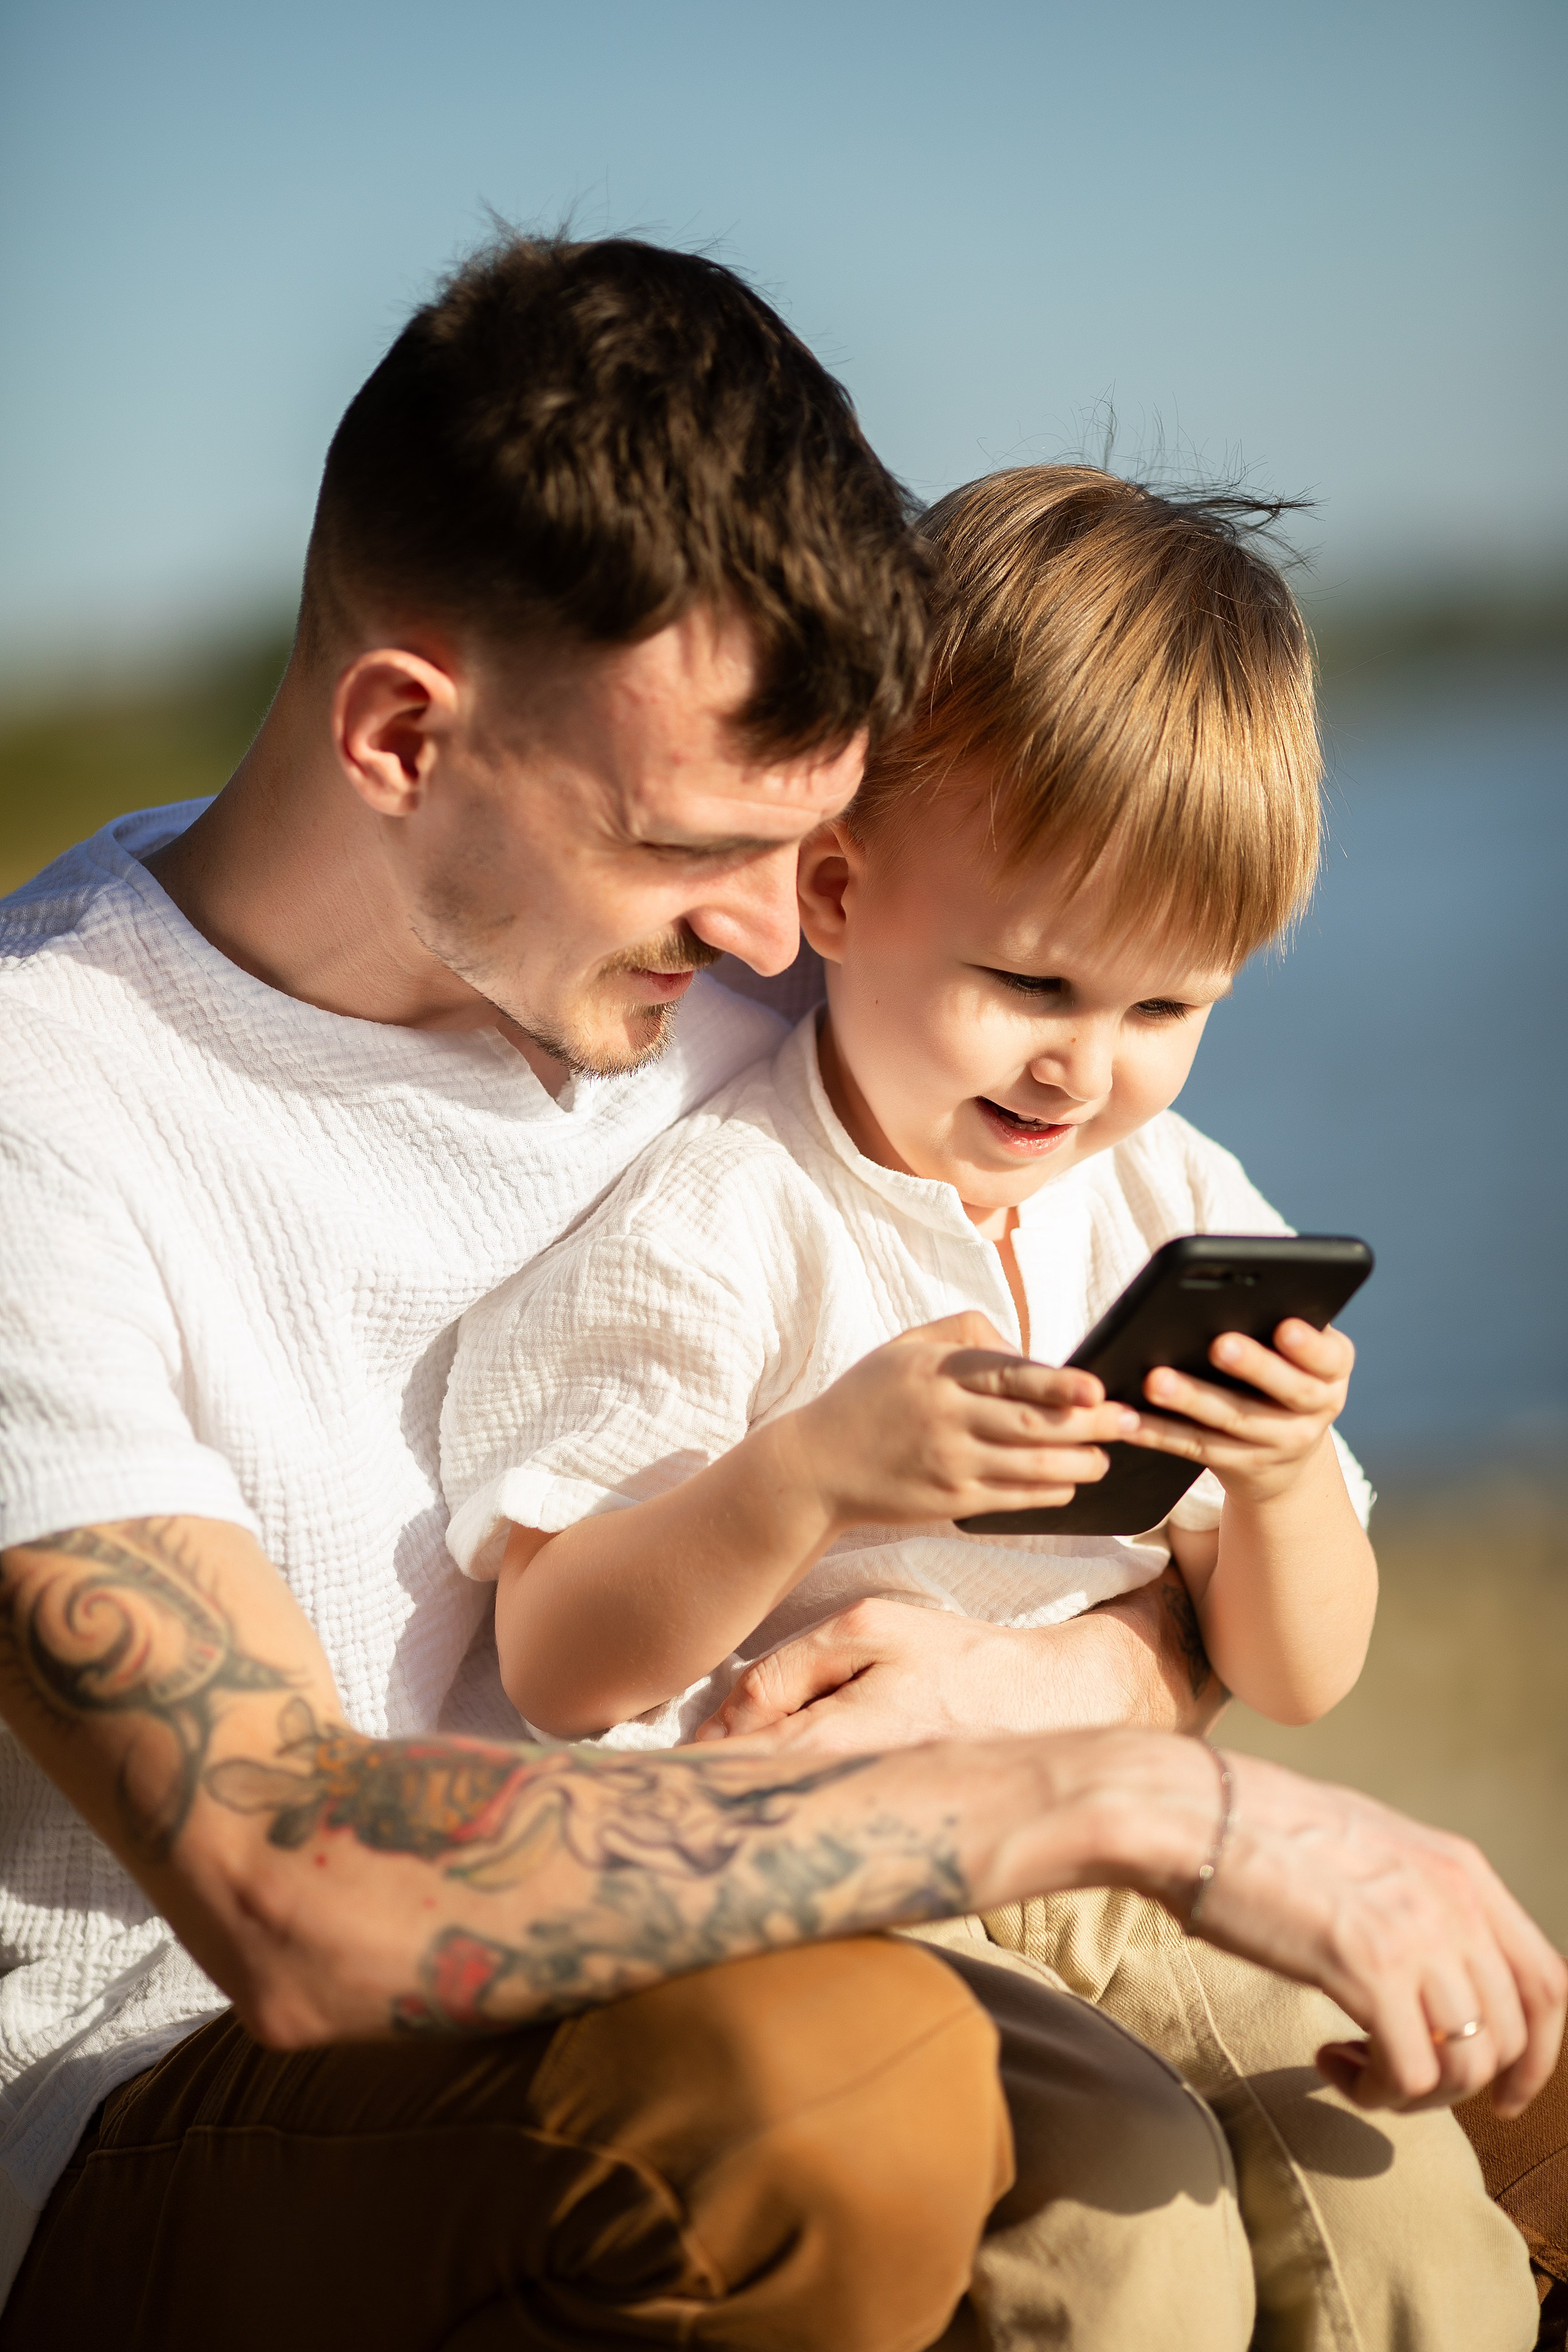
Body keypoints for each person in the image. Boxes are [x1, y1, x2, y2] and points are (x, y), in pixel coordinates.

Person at [0, 236, 1560, 2352]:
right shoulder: (49, 1107)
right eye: (694, 848)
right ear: (399, 734)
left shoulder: (790, 991)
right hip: (185, 2097)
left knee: (1490, 2086)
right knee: (845, 2104)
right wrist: (1128, 1798)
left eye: (812, 842)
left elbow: (1140, 1571)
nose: (768, 934)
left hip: (791, 1917)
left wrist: (1046, 1699)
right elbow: (297, 1887)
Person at [439, 463, 1536, 2347]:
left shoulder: (1172, 1201)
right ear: (843, 889)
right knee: (1125, 2238)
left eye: (1163, 1009)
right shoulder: (723, 1219)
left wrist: (1273, 1487)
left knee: (1405, 2209)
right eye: (1031, 978)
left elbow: (1303, 1669)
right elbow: (554, 1655)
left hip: (1119, 1844)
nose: (1082, 1066)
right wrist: (797, 1482)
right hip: (846, 1887)